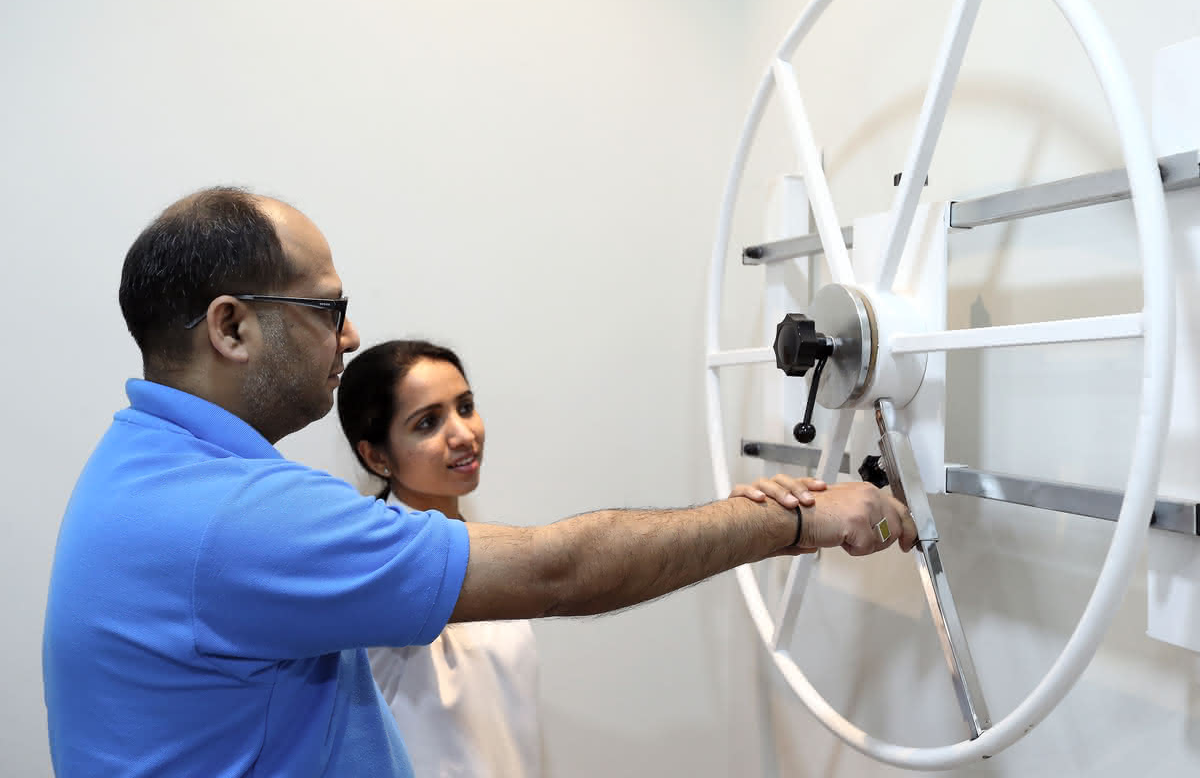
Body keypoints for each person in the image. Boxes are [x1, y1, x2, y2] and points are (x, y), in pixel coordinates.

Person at [42, 187, 915, 778]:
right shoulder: (236, 519)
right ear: (230, 329)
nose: (349, 337)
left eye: (464, 407)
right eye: (326, 309)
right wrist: (795, 523)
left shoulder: (140, 467)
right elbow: (559, 571)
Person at [337, 339, 543, 777]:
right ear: (376, 455)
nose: (464, 435)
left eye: (465, 407)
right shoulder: (378, 564)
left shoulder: (481, 546)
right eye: (428, 422)